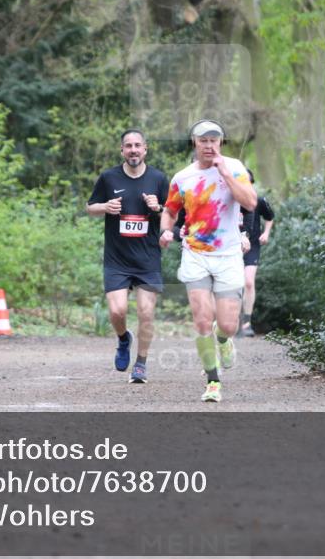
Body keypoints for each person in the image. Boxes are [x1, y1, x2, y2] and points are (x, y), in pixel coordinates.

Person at [159, 120, 257, 402]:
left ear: (221, 143)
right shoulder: (183, 177)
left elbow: (250, 203)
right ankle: (213, 381)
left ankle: (224, 339)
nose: (209, 145)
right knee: (202, 320)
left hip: (228, 255)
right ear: (195, 143)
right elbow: (170, 210)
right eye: (203, 140)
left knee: (227, 325)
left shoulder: (235, 167)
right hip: (196, 253)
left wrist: (225, 173)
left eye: (214, 140)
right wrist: (166, 230)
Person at [87, 129, 169, 383]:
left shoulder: (158, 178)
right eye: (128, 146)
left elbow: (173, 214)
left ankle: (141, 364)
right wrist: (105, 207)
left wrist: (158, 208)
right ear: (122, 150)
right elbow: (90, 207)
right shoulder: (109, 177)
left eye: (137, 145)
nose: (133, 150)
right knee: (118, 311)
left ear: (145, 149)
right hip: (117, 259)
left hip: (147, 259)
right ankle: (123, 339)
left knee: (146, 313)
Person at [238, 171, 275, 337]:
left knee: (248, 283)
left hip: (252, 246)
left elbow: (270, 216)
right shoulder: (229, 200)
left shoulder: (258, 201)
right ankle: (229, 320)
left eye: (248, 182)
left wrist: (266, 233)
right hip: (230, 246)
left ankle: (246, 322)